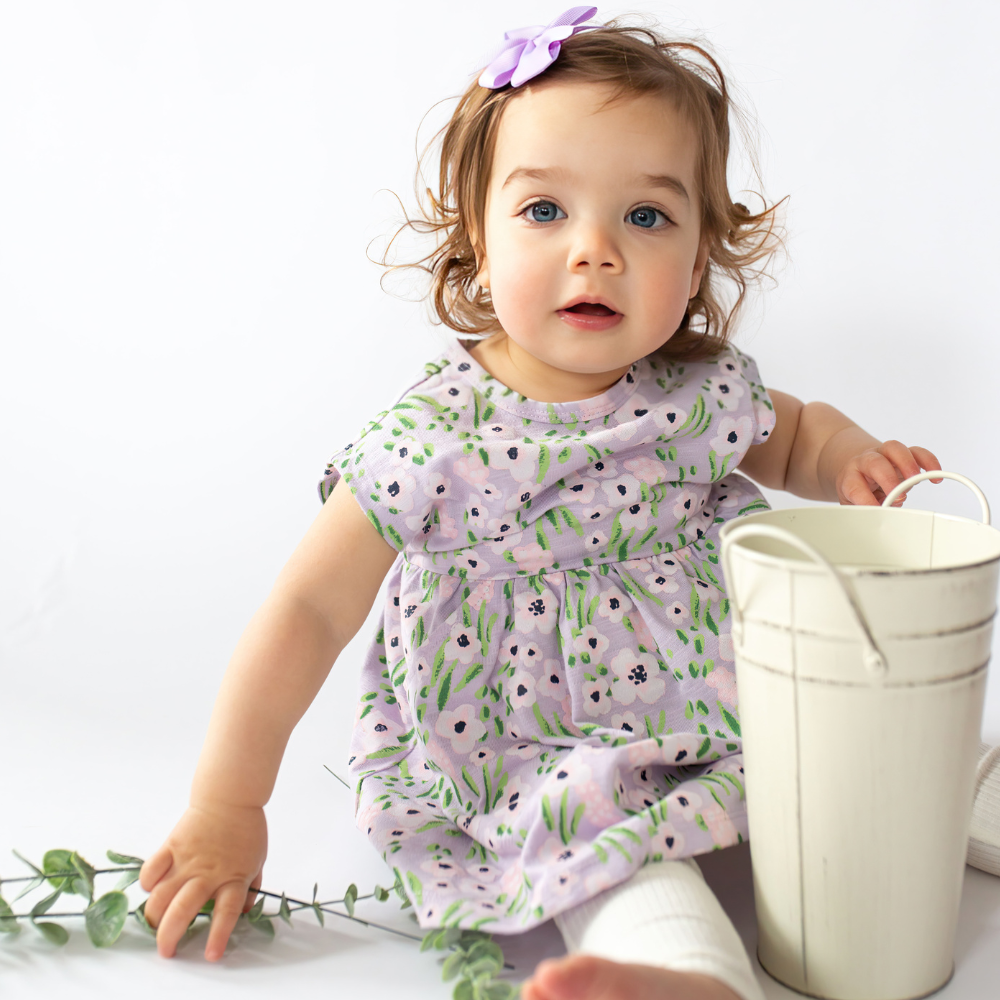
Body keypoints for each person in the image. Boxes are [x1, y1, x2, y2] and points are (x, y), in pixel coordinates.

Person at [139, 9, 1000, 1000]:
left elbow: (795, 433)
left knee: (901, 755)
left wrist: (850, 462)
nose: (594, 251)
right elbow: (308, 610)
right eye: (545, 211)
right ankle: (687, 972)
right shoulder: (433, 437)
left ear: (702, 249)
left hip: (743, 689)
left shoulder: (696, 389)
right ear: (475, 228)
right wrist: (227, 801)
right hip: (530, 732)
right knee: (609, 848)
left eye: (645, 216)